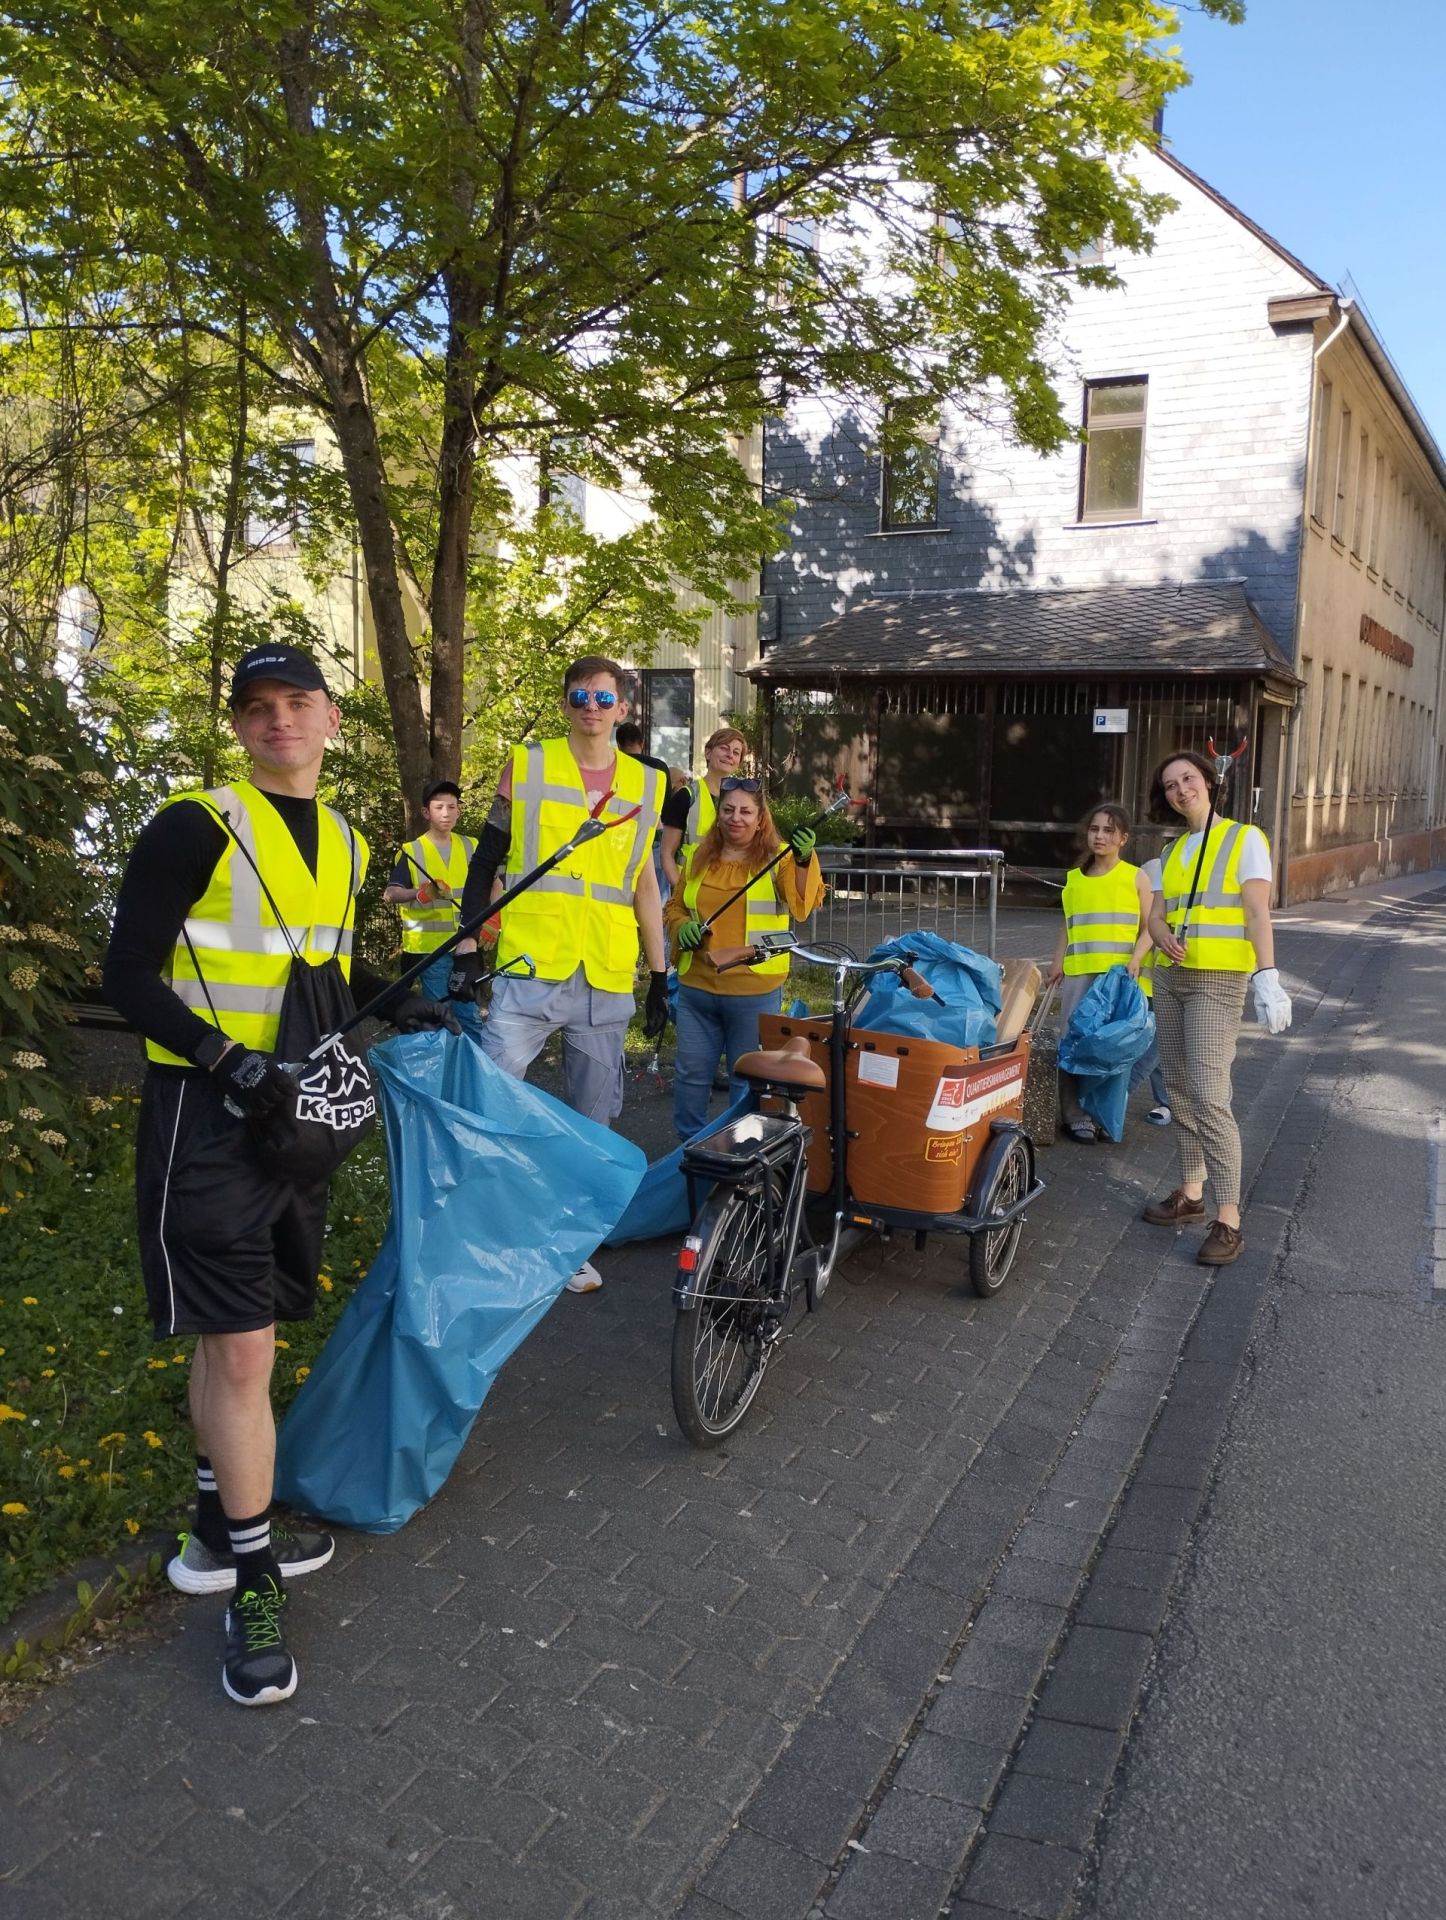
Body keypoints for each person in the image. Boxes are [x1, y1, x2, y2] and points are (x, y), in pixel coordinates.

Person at [102, 644, 457, 1708]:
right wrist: (224, 1059)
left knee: (239, 1340)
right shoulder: (193, 826)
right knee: (245, 1349)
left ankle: (216, 1531)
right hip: (206, 1116)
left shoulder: (347, 841)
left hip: (297, 1116)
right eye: (257, 707)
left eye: (297, 702)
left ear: (331, 718)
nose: (278, 721)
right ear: (239, 727)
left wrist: (404, 996)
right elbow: (126, 974)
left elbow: (323, 965)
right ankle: (251, 1584)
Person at [450, 655, 669, 1292]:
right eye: (580, 696)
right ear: (566, 702)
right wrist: (467, 948)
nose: (591, 708)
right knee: (491, 1104)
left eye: (603, 698)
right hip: (530, 967)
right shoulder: (528, 764)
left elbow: (644, 883)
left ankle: (568, 1244)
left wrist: (660, 973)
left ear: (623, 708)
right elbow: (486, 859)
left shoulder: (649, 784)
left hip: (604, 973)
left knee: (592, 1124)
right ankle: (483, 1237)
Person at [1140, 750, 1292, 1267]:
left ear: (1208, 781)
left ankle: (1229, 1219)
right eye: (1170, 785)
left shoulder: (1244, 839)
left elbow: (1256, 910)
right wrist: (1160, 933)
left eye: (1188, 778)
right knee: (1180, 1088)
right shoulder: (1172, 851)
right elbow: (1156, 916)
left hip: (1218, 980)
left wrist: (1267, 975)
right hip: (1170, 977)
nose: (1181, 789)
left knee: (1209, 1094)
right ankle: (1191, 1192)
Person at [665, 779, 825, 1141]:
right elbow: (675, 906)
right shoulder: (697, 855)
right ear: (718, 814)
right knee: (691, 1075)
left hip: (754, 992)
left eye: (745, 811)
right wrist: (680, 926)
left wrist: (804, 859)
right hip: (696, 989)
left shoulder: (780, 858)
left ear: (760, 818)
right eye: (728, 809)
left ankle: (742, 1151)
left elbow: (801, 906)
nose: (735, 818)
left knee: (748, 1081)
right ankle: (689, 1149)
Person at [1045, 804, 1166, 1142]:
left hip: (1119, 980)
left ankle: (1101, 1115)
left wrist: (1137, 958)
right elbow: (1068, 926)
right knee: (1072, 1042)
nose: (1100, 836)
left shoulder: (1136, 877)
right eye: (1095, 829)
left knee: (1112, 1047)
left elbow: (1151, 927)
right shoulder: (1074, 880)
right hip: (1080, 974)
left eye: (1109, 831)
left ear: (1123, 839)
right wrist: (1057, 962)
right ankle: (1072, 1114)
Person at [382, 780, 483, 1032]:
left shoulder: (471, 846)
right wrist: (419, 893)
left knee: (469, 1015)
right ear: (426, 812)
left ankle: (471, 1059)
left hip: (466, 944)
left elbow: (494, 884)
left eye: (452, 807)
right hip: (431, 950)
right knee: (441, 1015)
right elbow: (390, 894)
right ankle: (444, 1057)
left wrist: (493, 918)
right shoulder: (412, 851)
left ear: (459, 810)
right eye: (439, 807)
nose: (446, 813)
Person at [658, 725, 749, 890]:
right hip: (689, 890)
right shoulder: (686, 797)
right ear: (708, 753)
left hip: (728, 891)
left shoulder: (744, 802)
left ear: (739, 762)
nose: (730, 755)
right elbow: (666, 854)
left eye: (736, 752)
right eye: (724, 748)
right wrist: (681, 893)